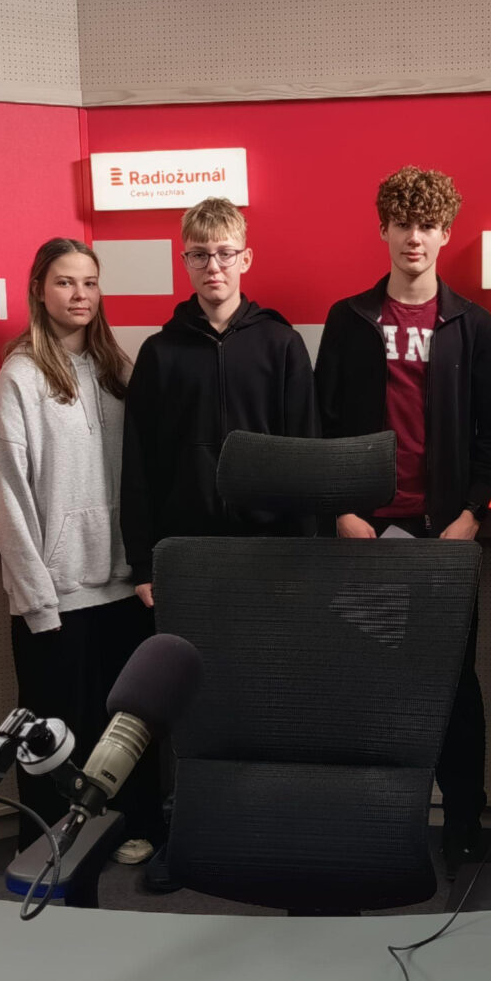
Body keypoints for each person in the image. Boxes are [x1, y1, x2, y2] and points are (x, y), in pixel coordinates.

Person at [314, 166, 491, 879]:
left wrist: (471, 513)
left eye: (427, 224)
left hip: (444, 542)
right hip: (367, 539)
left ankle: (463, 826)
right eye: (402, 223)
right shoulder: (349, 320)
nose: (414, 237)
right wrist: (341, 509)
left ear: (445, 233)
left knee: (455, 687)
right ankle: (377, 821)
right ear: (383, 230)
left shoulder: (472, 326)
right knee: (371, 684)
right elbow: (321, 426)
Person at [121, 196, 318, 888]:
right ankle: (187, 839)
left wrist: (306, 552)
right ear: (185, 261)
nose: (214, 266)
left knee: (263, 696)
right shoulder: (159, 353)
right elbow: (139, 468)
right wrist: (143, 562)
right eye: (200, 254)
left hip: (270, 557)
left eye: (225, 253)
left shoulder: (281, 345)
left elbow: (304, 456)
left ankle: (266, 831)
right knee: (190, 705)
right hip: (187, 559)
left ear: (246, 258)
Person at [0, 238, 164, 861]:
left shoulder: (119, 371)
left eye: (89, 282)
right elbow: (9, 500)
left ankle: (137, 827)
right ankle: (46, 847)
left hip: (124, 585)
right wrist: (37, 601)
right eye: (65, 282)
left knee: (126, 728)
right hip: (56, 595)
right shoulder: (17, 380)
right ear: (40, 290)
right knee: (51, 736)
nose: (80, 294)